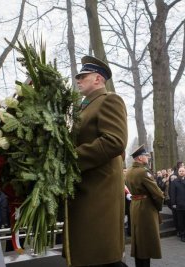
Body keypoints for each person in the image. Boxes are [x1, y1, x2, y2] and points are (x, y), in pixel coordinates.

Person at [65, 55, 128, 267]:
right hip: (84, 190)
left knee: (99, 258)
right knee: (87, 256)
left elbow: (114, 141)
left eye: (83, 76)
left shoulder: (110, 100)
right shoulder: (83, 107)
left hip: (98, 194)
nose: (78, 79)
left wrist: (69, 158)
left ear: (98, 79)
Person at [125, 145, 164, 267]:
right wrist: (158, 207)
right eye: (146, 156)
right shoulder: (143, 171)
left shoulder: (130, 171)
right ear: (140, 158)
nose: (148, 158)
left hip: (135, 205)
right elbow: (158, 194)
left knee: (138, 241)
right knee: (146, 241)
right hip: (146, 208)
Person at [170, 167, 185, 242]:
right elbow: (172, 193)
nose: (181, 172)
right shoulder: (174, 182)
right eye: (180, 171)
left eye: (183, 171)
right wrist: (173, 203)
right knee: (181, 221)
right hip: (179, 205)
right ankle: (182, 235)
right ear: (178, 172)